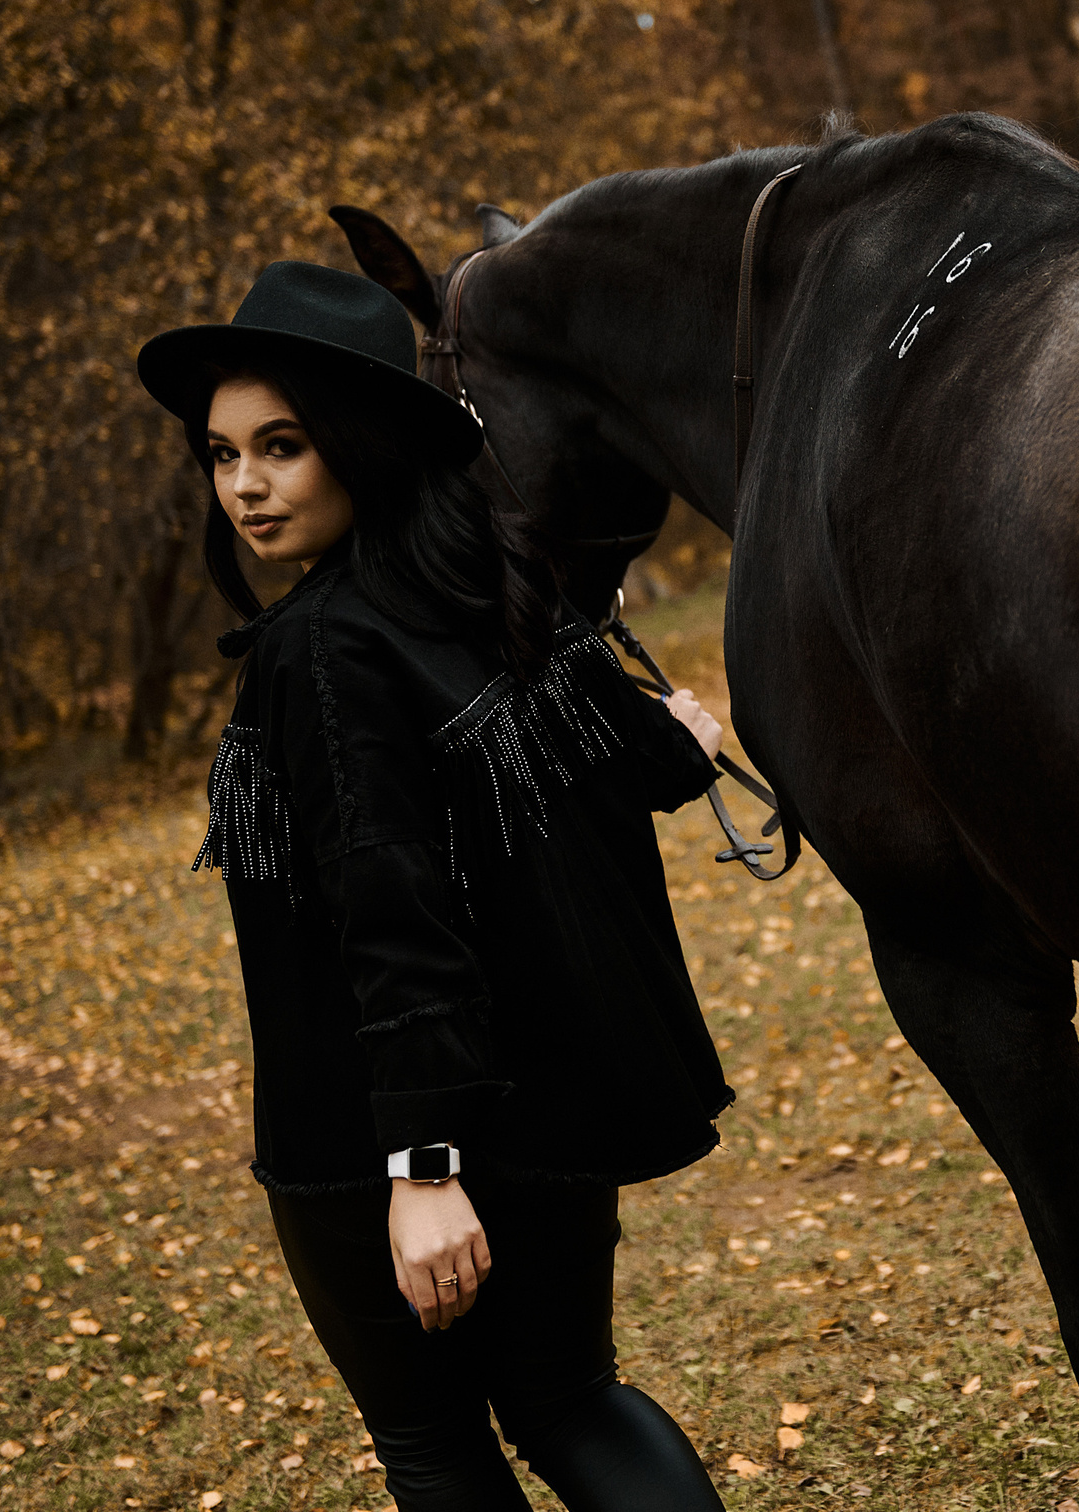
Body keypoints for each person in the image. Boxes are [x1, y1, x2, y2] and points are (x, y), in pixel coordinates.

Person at [138, 260, 733, 1512]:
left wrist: (420, 1166)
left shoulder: (320, 645)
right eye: (223, 454)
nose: (244, 486)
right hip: (544, 1107)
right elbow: (629, 757)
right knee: (572, 1401)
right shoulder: (493, 583)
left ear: (360, 441)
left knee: (435, 1445)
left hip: (383, 1135)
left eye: (282, 446)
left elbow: (387, 899)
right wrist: (679, 740)